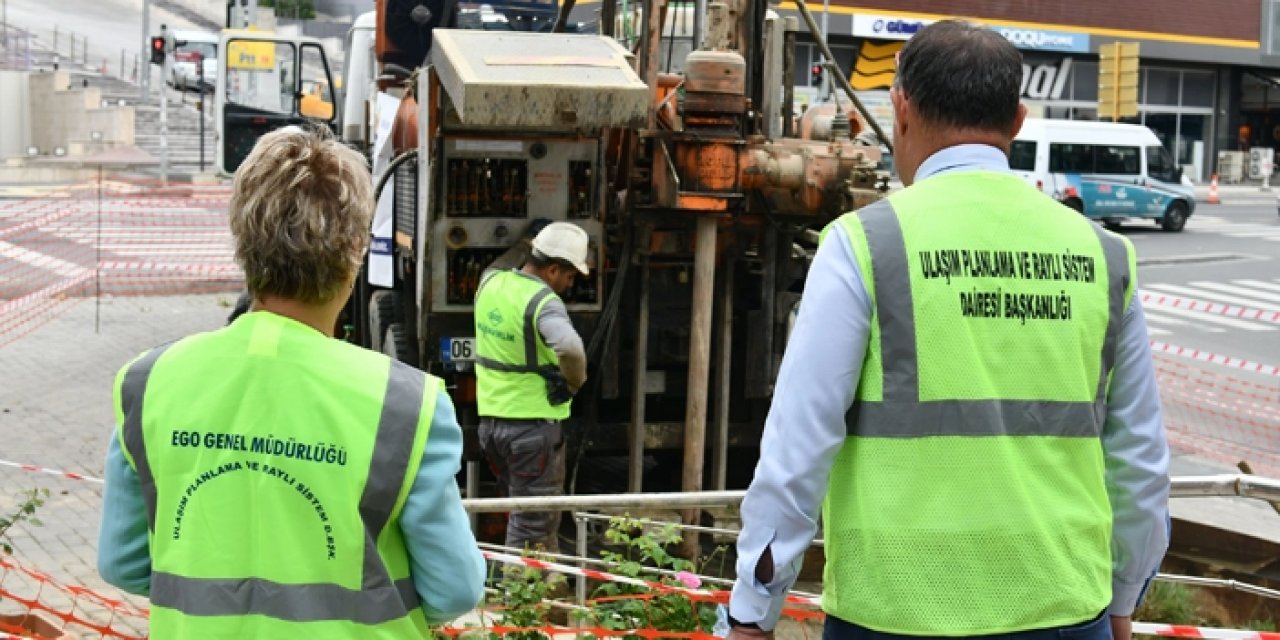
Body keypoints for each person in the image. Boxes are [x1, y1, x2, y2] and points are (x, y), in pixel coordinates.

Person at [726, 20, 1169, 640]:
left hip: (895, 613)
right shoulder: (1104, 254)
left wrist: (753, 609)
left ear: (900, 108)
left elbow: (797, 447)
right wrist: (1123, 599)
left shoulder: (865, 245)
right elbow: (1140, 460)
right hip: (1066, 608)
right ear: (1017, 120)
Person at [98, 126, 486, 638]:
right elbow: (455, 589)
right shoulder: (406, 406)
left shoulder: (146, 385)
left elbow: (122, 564)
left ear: (242, 240)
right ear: (354, 251)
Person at [475, 221, 590, 553]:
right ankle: (522, 599)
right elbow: (570, 348)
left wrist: (527, 238)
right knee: (533, 525)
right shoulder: (543, 302)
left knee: (520, 512)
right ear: (552, 269)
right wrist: (572, 383)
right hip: (532, 430)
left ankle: (542, 593)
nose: (569, 285)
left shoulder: (490, 283)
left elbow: (499, 262)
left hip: (492, 429)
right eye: (569, 277)